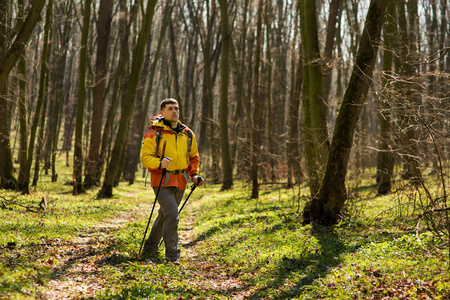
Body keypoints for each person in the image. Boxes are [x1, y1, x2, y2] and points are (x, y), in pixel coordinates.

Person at [140, 98, 204, 265]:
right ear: (162, 112)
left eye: (176, 108)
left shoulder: (187, 134)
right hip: (161, 179)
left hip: (181, 180)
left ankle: (150, 247)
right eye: (170, 109)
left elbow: (193, 157)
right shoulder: (155, 132)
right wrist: (159, 163)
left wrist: (194, 175)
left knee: (166, 215)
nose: (174, 111)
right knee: (172, 214)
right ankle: (173, 256)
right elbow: (145, 157)